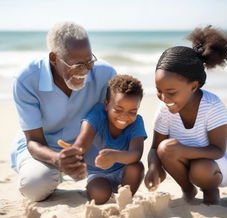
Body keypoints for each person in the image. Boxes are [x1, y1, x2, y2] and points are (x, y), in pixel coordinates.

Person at [11, 22, 116, 202]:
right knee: (33, 187)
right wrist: (57, 159)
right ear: (54, 57)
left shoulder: (106, 74)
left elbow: (109, 122)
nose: (85, 70)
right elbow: (34, 141)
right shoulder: (26, 80)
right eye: (77, 64)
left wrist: (83, 148)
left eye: (89, 61)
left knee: (121, 178)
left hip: (88, 143)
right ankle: (53, 172)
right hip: (44, 148)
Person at [144, 26, 227, 205]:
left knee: (200, 168)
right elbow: (155, 148)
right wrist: (154, 167)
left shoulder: (212, 107)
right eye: (159, 91)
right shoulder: (165, 109)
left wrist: (183, 150)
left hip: (220, 164)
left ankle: (210, 190)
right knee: (164, 148)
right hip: (187, 160)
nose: (164, 98)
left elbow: (218, 150)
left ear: (193, 86)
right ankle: (188, 189)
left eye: (171, 92)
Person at [72, 74, 147, 204]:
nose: (124, 116)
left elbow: (136, 154)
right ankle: (99, 192)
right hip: (98, 174)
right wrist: (75, 151)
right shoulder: (97, 114)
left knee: (136, 167)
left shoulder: (137, 122)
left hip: (123, 172)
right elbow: (83, 140)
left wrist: (115, 156)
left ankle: (125, 198)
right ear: (107, 104)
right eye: (118, 109)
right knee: (100, 196)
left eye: (132, 112)